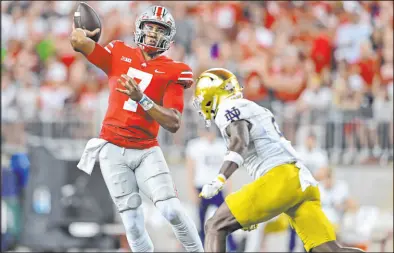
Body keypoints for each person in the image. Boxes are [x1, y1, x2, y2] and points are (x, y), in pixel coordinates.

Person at [71, 5, 203, 252]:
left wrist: (142, 98)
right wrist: (81, 34)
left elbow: (173, 122)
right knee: (131, 222)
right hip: (112, 148)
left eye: (159, 28)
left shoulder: (174, 70)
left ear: (169, 35)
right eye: (149, 27)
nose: (153, 33)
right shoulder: (118, 52)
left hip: (145, 150)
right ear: (140, 28)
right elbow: (80, 43)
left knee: (171, 209)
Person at [193, 68, 364, 252]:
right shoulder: (253, 107)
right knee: (331, 250)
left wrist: (221, 177)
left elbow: (240, 141)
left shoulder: (228, 107)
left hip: (280, 178)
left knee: (215, 225)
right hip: (301, 180)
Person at [185, 126, 237, 251]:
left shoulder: (221, 145)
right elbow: (190, 169)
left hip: (217, 187)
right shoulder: (195, 145)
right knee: (201, 220)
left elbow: (227, 168)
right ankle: (203, 247)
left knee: (225, 218)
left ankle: (232, 246)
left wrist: (229, 189)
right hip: (201, 186)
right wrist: (191, 190)